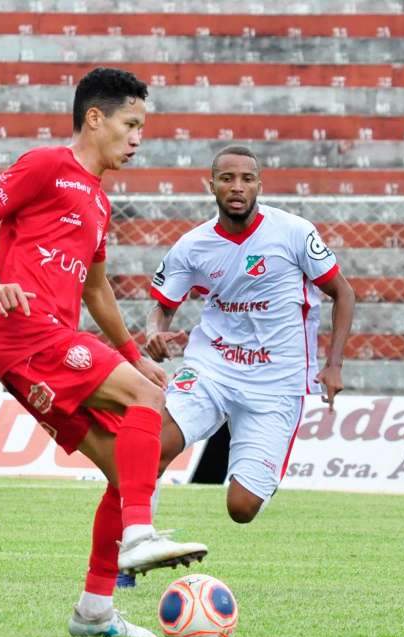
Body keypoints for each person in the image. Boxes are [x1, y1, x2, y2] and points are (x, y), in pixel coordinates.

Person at [0, 67, 206, 637]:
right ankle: (140, 536)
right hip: (28, 336)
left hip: (45, 347)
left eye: (143, 126)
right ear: (95, 118)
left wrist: (131, 352)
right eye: (130, 123)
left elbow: (94, 288)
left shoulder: (97, 200)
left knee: (127, 469)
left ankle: (93, 612)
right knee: (149, 402)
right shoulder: (46, 165)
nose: (138, 137)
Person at [147, 145, 355, 520]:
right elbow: (163, 306)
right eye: (227, 179)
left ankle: (261, 472)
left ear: (259, 184)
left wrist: (334, 365)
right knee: (149, 450)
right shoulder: (193, 246)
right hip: (212, 367)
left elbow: (343, 292)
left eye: (246, 179)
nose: (237, 187)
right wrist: (155, 332)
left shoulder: (293, 233)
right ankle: (131, 549)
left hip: (276, 380)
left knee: (242, 509)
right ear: (211, 186)